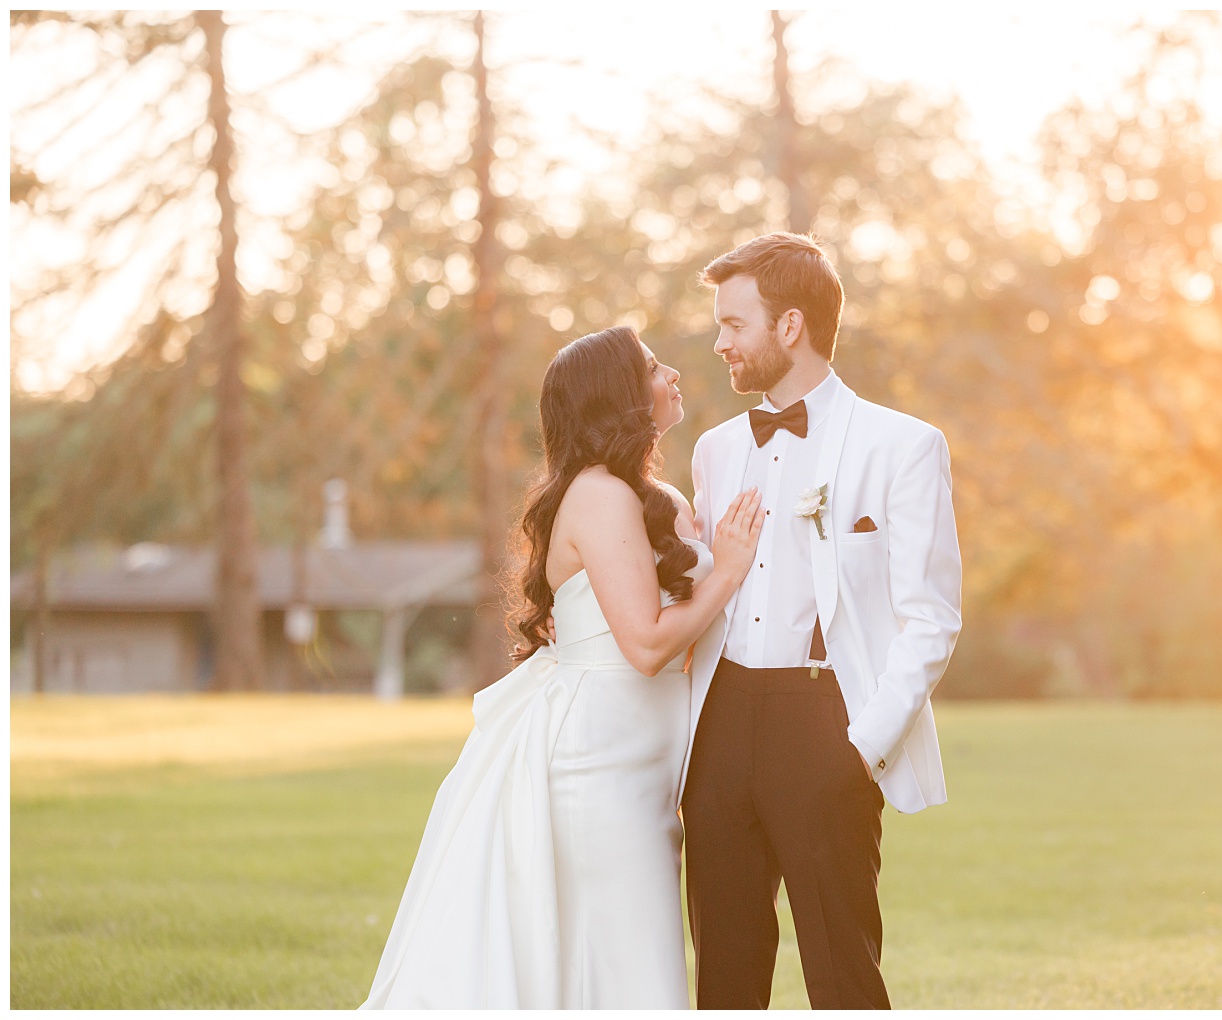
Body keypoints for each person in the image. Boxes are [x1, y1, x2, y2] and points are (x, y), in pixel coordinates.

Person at [361, 325, 763, 1009]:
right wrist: (726, 573)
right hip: (601, 758)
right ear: (619, 396)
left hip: (646, 751)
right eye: (653, 366)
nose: (672, 374)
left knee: (621, 946)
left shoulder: (649, 495)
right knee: (624, 947)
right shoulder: (600, 494)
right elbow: (642, 644)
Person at [681, 232, 963, 1009]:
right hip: (720, 726)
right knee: (724, 978)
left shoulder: (902, 446)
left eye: (734, 325)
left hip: (829, 724)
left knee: (843, 978)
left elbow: (931, 618)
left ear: (790, 327)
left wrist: (860, 746)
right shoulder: (710, 451)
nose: (720, 343)